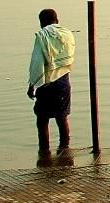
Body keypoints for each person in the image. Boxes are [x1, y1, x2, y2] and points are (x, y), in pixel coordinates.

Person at [26, 8, 76, 154]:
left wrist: (32, 85)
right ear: (57, 20)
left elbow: (37, 63)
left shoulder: (42, 36)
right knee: (62, 117)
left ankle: (44, 152)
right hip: (64, 82)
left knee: (42, 119)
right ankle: (65, 149)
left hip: (46, 84)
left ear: (41, 23)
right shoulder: (67, 34)